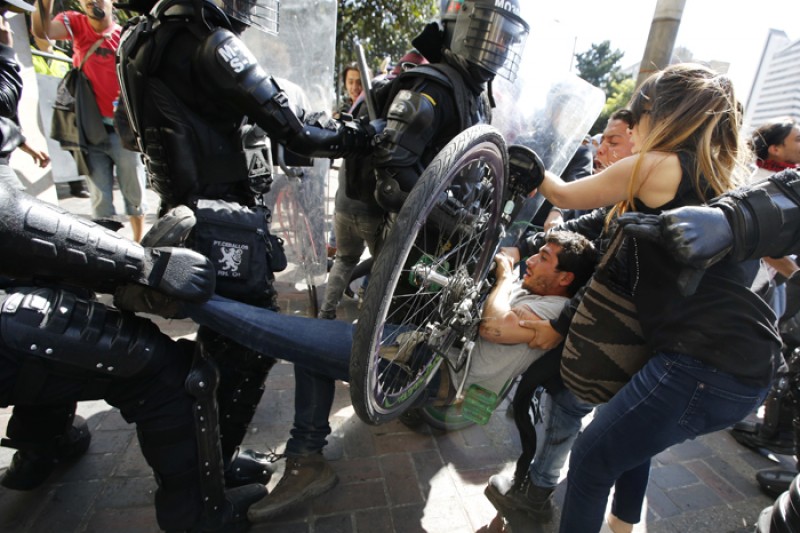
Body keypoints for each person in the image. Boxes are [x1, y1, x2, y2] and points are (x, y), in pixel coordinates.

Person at [112, 0, 382, 507]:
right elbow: (296, 129)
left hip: (182, 209)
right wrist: (362, 135)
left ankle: (210, 454)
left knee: (216, 343)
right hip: (223, 219)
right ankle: (205, 485)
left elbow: (130, 131)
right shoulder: (213, 43)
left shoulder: (139, 38)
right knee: (246, 348)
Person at [179, 229, 594, 519]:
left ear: (565, 278)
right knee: (311, 350)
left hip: (432, 374)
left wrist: (504, 280)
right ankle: (306, 460)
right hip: (421, 347)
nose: (534, 258)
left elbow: (494, 327)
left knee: (288, 338)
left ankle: (183, 294)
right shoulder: (534, 294)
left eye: (545, 258)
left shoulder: (555, 313)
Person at [526, 63, 779, 533]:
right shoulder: (722, 183)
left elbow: (562, 191)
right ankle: (624, 527)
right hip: (741, 364)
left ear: (660, 114)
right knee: (627, 441)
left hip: (701, 365)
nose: (636, 125)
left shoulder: (657, 165)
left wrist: (526, 157)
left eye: (639, 114)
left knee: (590, 461)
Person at [318, 49, 428, 320]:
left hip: (344, 202)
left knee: (344, 260)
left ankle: (326, 313)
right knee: (382, 267)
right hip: (372, 210)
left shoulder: (364, 101)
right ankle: (366, 320)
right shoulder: (403, 106)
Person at [32, 0, 147, 241]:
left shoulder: (125, 36)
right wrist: (43, 4)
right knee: (100, 198)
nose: (91, 2)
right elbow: (42, 34)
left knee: (134, 193)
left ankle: (139, 243)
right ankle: (107, 246)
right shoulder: (76, 23)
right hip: (90, 130)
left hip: (123, 132)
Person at [30, 34, 90, 198]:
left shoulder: (62, 57)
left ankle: (76, 184)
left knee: (68, 142)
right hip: (40, 108)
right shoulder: (29, 55)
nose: (49, 37)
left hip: (62, 107)